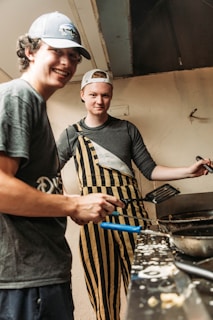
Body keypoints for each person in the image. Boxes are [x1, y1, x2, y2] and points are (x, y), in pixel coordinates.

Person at [57, 69, 210, 320]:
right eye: (93, 94)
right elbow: (49, 169)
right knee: (102, 291)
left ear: (111, 96)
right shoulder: (72, 134)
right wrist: (69, 204)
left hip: (133, 217)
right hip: (97, 222)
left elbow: (150, 170)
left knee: (144, 286)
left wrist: (189, 172)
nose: (99, 101)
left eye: (105, 95)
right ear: (82, 94)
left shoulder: (127, 129)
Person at [0, 15, 124, 320]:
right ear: (30, 51)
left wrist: (74, 208)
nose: (66, 63)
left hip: (44, 273)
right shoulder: (18, 97)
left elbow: (36, 186)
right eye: (56, 51)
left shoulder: (37, 106)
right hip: (25, 281)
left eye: (73, 56)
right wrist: (73, 203)